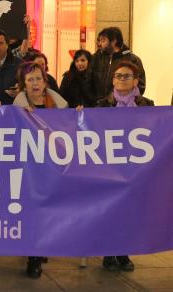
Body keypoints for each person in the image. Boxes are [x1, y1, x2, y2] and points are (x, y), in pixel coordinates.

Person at [11, 61, 68, 278]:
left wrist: (77, 114)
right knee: (32, 211)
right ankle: (33, 257)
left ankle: (41, 248)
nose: (35, 83)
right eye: (30, 79)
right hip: (28, 168)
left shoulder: (58, 103)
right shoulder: (18, 105)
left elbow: (67, 128)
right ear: (23, 84)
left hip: (51, 166)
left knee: (47, 210)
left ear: (45, 81)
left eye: (38, 78)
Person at [96, 62, 153, 272]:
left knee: (129, 211)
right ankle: (109, 252)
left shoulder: (147, 105)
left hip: (136, 168)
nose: (121, 79)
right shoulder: (101, 105)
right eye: (118, 76)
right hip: (109, 167)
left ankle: (124, 252)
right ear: (112, 80)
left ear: (136, 81)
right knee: (109, 210)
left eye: (127, 76)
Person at [91, 27, 146, 100]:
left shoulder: (132, 59)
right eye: (99, 41)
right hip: (98, 106)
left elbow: (140, 85)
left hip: (123, 106)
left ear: (114, 41)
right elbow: (88, 80)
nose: (100, 44)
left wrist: (119, 99)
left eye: (103, 40)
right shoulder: (96, 58)